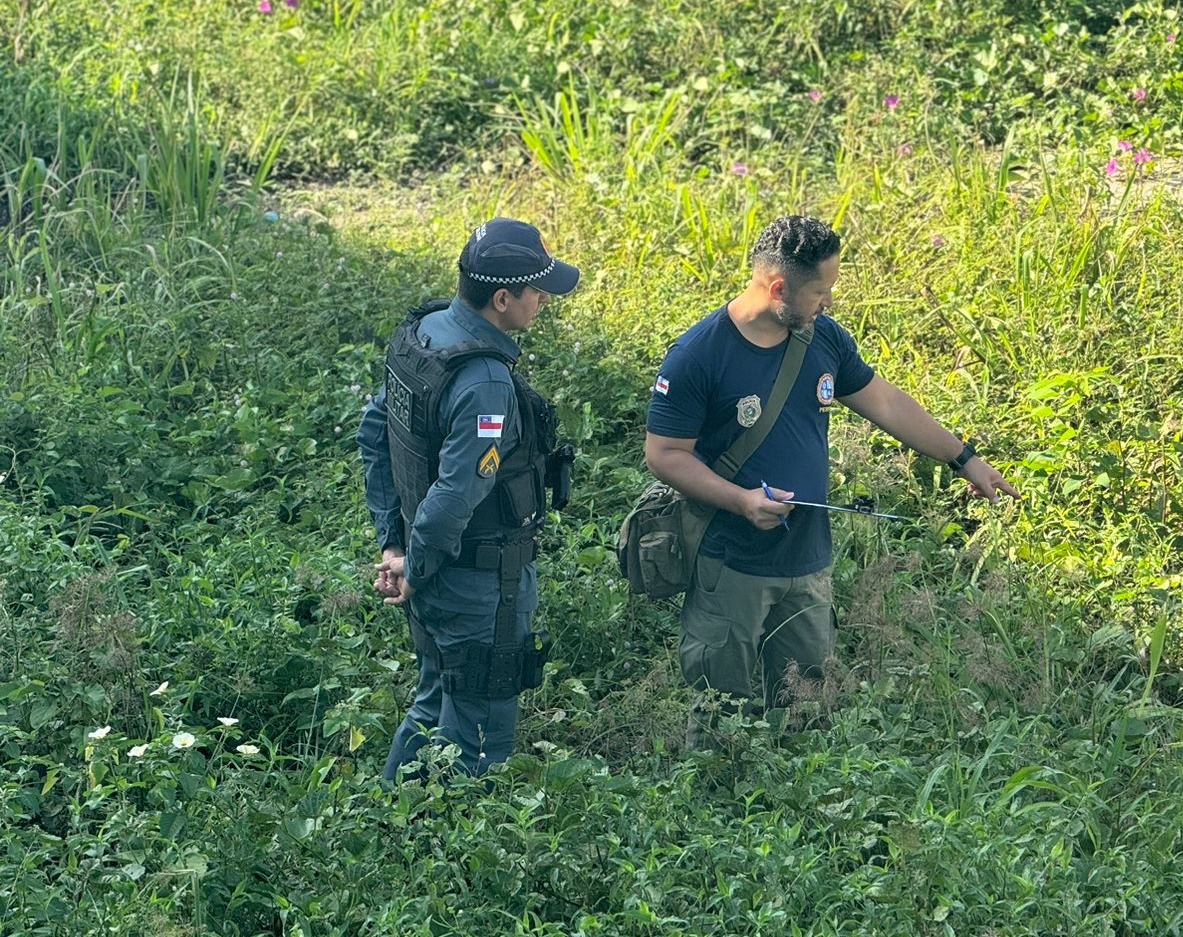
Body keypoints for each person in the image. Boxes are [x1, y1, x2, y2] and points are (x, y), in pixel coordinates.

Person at [644, 214, 1018, 736]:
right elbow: (664, 454)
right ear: (778, 288)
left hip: (807, 562)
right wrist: (740, 500)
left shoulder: (823, 339)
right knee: (717, 713)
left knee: (809, 710)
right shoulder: (699, 355)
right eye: (821, 291)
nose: (829, 302)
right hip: (730, 564)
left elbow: (886, 401)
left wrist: (964, 458)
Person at [357, 218, 578, 781]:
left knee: (436, 699)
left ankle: (388, 817)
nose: (543, 302)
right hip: (477, 585)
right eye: (537, 291)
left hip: (431, 567)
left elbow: (374, 430)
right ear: (503, 299)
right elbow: (456, 493)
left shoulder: (426, 332)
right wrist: (417, 567)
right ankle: (441, 855)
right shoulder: (484, 381)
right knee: (478, 736)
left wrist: (397, 545)